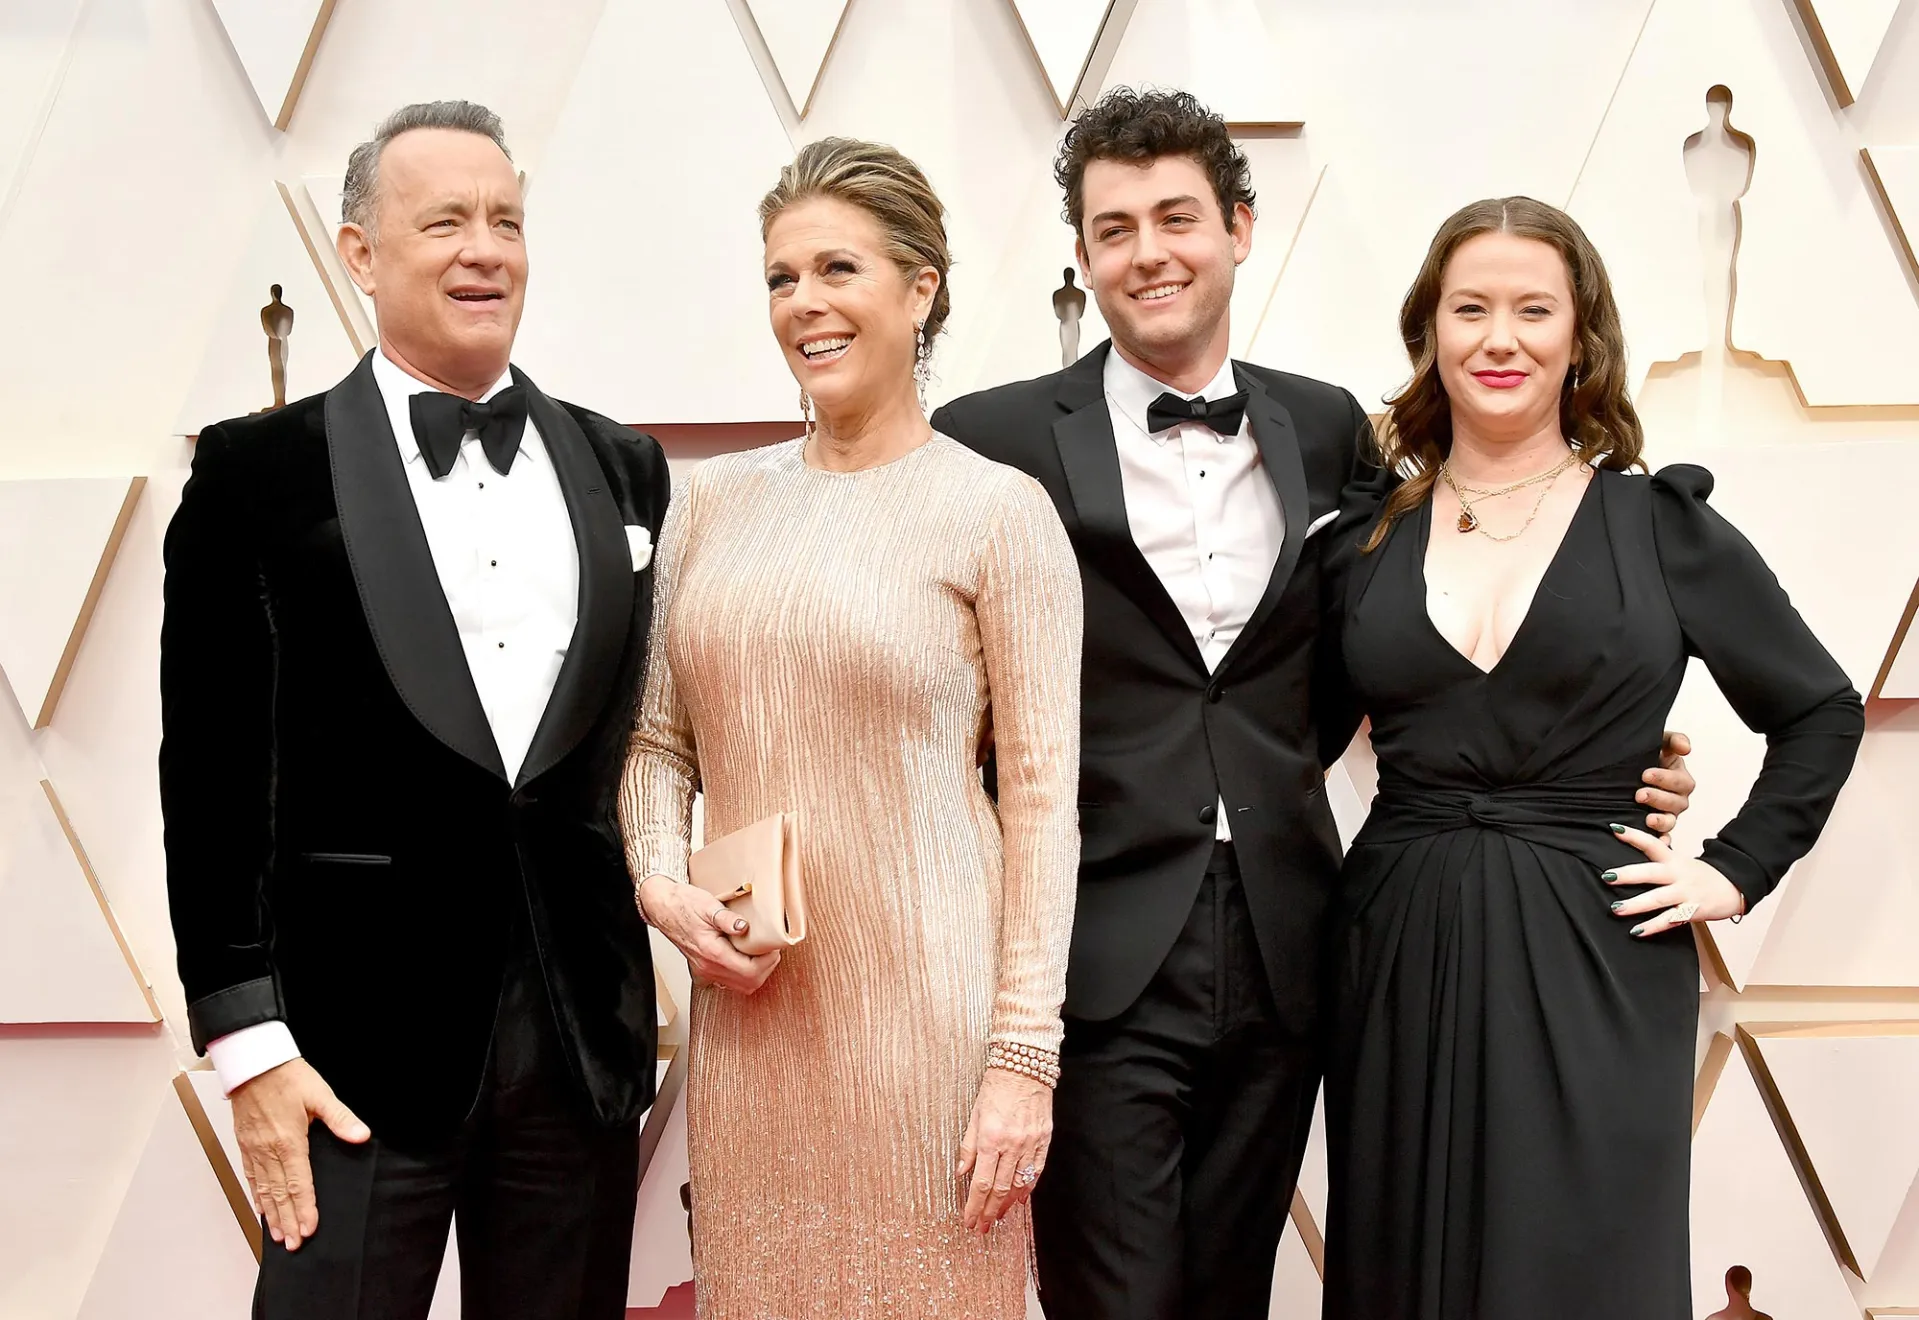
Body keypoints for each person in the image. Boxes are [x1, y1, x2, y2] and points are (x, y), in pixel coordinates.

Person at [930, 89, 1695, 1319]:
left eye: (1175, 217)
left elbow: (1420, 625)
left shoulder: (1331, 428)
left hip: (1293, 943)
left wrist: (1593, 748)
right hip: (1092, 942)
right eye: (1114, 228)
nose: (1147, 252)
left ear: (1238, 228)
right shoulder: (990, 438)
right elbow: (932, 684)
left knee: (1233, 1292)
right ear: (1080, 253)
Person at [160, 101, 670, 1320]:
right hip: (347, 1052)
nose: (482, 249)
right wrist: (248, 1046)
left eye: (505, 221)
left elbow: (638, 741)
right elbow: (210, 778)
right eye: (443, 222)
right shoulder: (253, 474)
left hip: (577, 1041)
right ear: (360, 253)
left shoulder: (624, 465)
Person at [1318, 197, 1864, 1320]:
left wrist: (1731, 870)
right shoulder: (1364, 541)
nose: (1499, 338)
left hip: (1598, 947)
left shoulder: (1658, 525)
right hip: (1395, 944)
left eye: (1533, 310)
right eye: (1469, 309)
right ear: (1430, 331)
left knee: (1580, 1265)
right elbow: (1276, 739)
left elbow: (1817, 708)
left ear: (1580, 338)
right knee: (1400, 1264)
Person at [622, 137, 1082, 1318]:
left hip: (932, 1027)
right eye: (781, 278)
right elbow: (657, 746)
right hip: (755, 1022)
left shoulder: (997, 511)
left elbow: (1042, 805)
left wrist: (1020, 1062)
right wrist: (659, 882)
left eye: (837, 269)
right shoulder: (709, 503)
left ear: (919, 289)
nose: (803, 303)